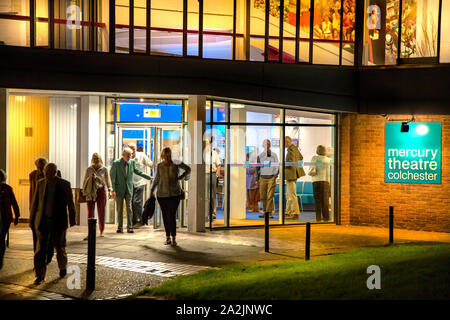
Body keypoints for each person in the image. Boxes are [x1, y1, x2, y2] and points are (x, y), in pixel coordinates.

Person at [29, 163, 76, 285]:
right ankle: (40, 275)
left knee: (60, 247)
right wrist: (32, 219)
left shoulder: (64, 184)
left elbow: (70, 203)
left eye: (50, 172)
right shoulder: (41, 183)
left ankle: (62, 267)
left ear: (55, 172)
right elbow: (35, 203)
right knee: (40, 250)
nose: (48, 174)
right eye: (46, 172)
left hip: (59, 221)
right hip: (43, 220)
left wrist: (72, 219)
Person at [150, 147, 190, 246]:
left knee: (171, 215)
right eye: (165, 156)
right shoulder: (159, 166)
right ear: (163, 156)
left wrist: (182, 176)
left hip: (174, 194)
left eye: (168, 156)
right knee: (165, 215)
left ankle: (174, 238)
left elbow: (188, 169)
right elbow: (156, 179)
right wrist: (152, 190)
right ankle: (168, 237)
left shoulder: (176, 163)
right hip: (162, 194)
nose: (167, 158)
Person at [110, 148, 151, 233]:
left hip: (129, 189)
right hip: (119, 189)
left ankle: (130, 227)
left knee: (129, 208)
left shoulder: (132, 162)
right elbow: (113, 178)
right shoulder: (116, 163)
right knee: (120, 209)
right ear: (123, 155)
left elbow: (137, 171)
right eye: (128, 155)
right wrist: (113, 190)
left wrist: (148, 177)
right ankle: (120, 227)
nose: (130, 157)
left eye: (131, 155)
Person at [29, 158, 59, 265]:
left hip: (51, 213)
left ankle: (48, 257)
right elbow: (32, 193)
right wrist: (31, 211)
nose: (40, 169)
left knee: (50, 239)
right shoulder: (33, 175)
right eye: (38, 167)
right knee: (37, 238)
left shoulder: (56, 175)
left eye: (42, 167)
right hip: (38, 211)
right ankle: (38, 262)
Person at [82, 153, 112, 239]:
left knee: (101, 212)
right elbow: (85, 180)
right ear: (92, 159)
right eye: (94, 158)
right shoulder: (89, 169)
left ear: (100, 159)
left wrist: (110, 190)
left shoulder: (104, 169)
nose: (96, 160)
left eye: (97, 158)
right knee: (90, 213)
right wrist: (83, 190)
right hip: (91, 191)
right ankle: (90, 232)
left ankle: (101, 231)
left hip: (101, 191)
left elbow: (107, 180)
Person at [128, 143, 153, 227]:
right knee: (131, 202)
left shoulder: (141, 155)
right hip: (130, 183)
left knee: (136, 201)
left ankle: (139, 220)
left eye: (133, 149)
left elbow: (150, 164)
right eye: (130, 149)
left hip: (140, 182)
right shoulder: (126, 157)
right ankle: (133, 220)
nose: (132, 151)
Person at [0, 169, 20, 270]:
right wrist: (17, 216)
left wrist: (17, 216)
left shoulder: (7, 189)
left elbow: (14, 203)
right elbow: (14, 203)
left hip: (5, 217)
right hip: (6, 217)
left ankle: (0, 258)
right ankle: (0, 258)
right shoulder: (8, 188)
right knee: (2, 238)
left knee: (2, 237)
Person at [256, 139, 279, 219]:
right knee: (263, 196)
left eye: (268, 144)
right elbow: (257, 168)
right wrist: (257, 179)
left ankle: (269, 213)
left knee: (270, 196)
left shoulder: (274, 155)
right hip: (262, 178)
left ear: (270, 145)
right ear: (263, 145)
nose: (267, 146)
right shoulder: (260, 156)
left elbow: (277, 166)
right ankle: (265, 211)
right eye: (265, 144)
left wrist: (275, 175)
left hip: (271, 178)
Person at [285, 136, 306, 220]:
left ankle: (295, 213)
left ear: (287, 142)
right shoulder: (295, 148)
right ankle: (288, 212)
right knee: (289, 194)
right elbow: (301, 157)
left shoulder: (291, 149)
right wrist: (298, 170)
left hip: (291, 175)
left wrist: (283, 165)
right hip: (294, 174)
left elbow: (291, 162)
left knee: (292, 194)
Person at [308, 145, 331, 222]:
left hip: (316, 181)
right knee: (325, 201)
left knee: (318, 201)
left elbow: (312, 171)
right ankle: (326, 218)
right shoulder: (328, 160)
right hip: (326, 182)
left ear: (317, 151)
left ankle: (318, 217)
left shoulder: (315, 158)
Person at [204, 138, 221, 221]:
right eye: (205, 144)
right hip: (203, 175)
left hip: (212, 174)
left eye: (207, 144)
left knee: (212, 194)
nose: (206, 145)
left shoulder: (214, 153)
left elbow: (218, 165)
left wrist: (217, 175)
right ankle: (205, 212)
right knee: (205, 194)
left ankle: (213, 212)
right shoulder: (200, 154)